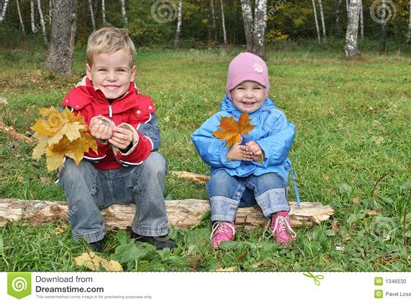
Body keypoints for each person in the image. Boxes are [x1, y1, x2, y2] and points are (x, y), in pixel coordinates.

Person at [60, 26, 175, 251]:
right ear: (89, 71)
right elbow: (64, 146)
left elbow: (152, 141)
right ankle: (89, 234)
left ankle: (149, 229)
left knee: (156, 161)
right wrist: (95, 140)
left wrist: (133, 141)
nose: (111, 78)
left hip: (130, 182)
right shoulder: (75, 103)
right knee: (71, 167)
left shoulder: (142, 105)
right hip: (94, 183)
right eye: (102, 70)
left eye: (120, 70)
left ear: (132, 73)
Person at [192, 52, 297, 248]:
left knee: (272, 179)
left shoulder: (274, 117)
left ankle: (279, 217)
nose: (249, 95)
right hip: (232, 176)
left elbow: (284, 137)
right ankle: (223, 222)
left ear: (266, 91)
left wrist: (263, 149)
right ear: (230, 91)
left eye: (257, 88)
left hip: (262, 173)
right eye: (241, 88)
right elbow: (201, 138)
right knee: (219, 181)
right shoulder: (222, 119)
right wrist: (226, 154)